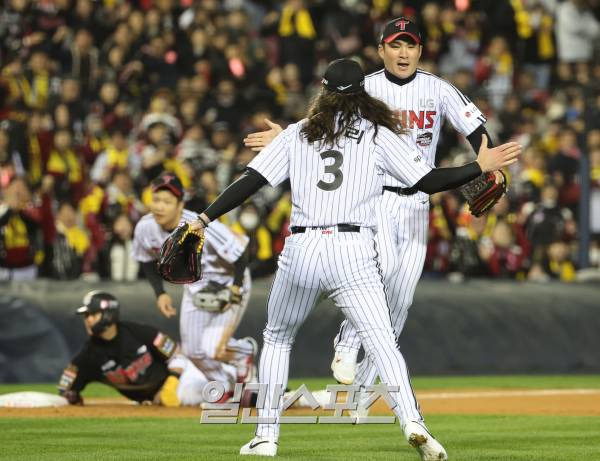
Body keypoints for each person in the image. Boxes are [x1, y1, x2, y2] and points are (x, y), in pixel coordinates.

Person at [188, 58, 520, 458]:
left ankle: (265, 437)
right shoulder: (379, 134)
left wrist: (204, 218)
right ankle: (413, 422)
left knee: (277, 337)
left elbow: (250, 183)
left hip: (303, 250)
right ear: (362, 92)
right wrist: (477, 167)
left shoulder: (296, 135)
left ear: (323, 91)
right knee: (383, 343)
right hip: (352, 251)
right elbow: (427, 181)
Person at [244, 17, 500, 414]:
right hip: (374, 197)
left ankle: (359, 395)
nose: (403, 53)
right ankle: (346, 344)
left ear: (419, 50)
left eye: (410, 46)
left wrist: (489, 161)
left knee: (400, 300)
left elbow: (477, 131)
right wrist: (287, 139)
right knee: (379, 271)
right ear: (381, 50)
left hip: (418, 200)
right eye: (395, 45)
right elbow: (326, 128)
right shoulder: (368, 87)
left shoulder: (438, 89)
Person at [131, 172, 257, 401]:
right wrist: (160, 294)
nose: (159, 206)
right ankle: (224, 388)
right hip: (196, 285)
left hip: (229, 280)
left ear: (180, 204)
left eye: (167, 201)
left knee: (212, 348)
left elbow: (240, 254)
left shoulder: (198, 223)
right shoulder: (145, 227)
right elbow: (145, 259)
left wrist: (236, 288)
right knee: (192, 351)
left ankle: (243, 353)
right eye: (156, 199)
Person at [57, 291, 208, 406]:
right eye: (85, 316)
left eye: (93, 314)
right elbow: (66, 388)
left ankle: (226, 391)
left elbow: (177, 355)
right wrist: (71, 396)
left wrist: (171, 383)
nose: (88, 320)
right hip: (152, 401)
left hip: (181, 379)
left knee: (199, 392)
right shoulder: (88, 357)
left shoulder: (139, 332)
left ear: (109, 314)